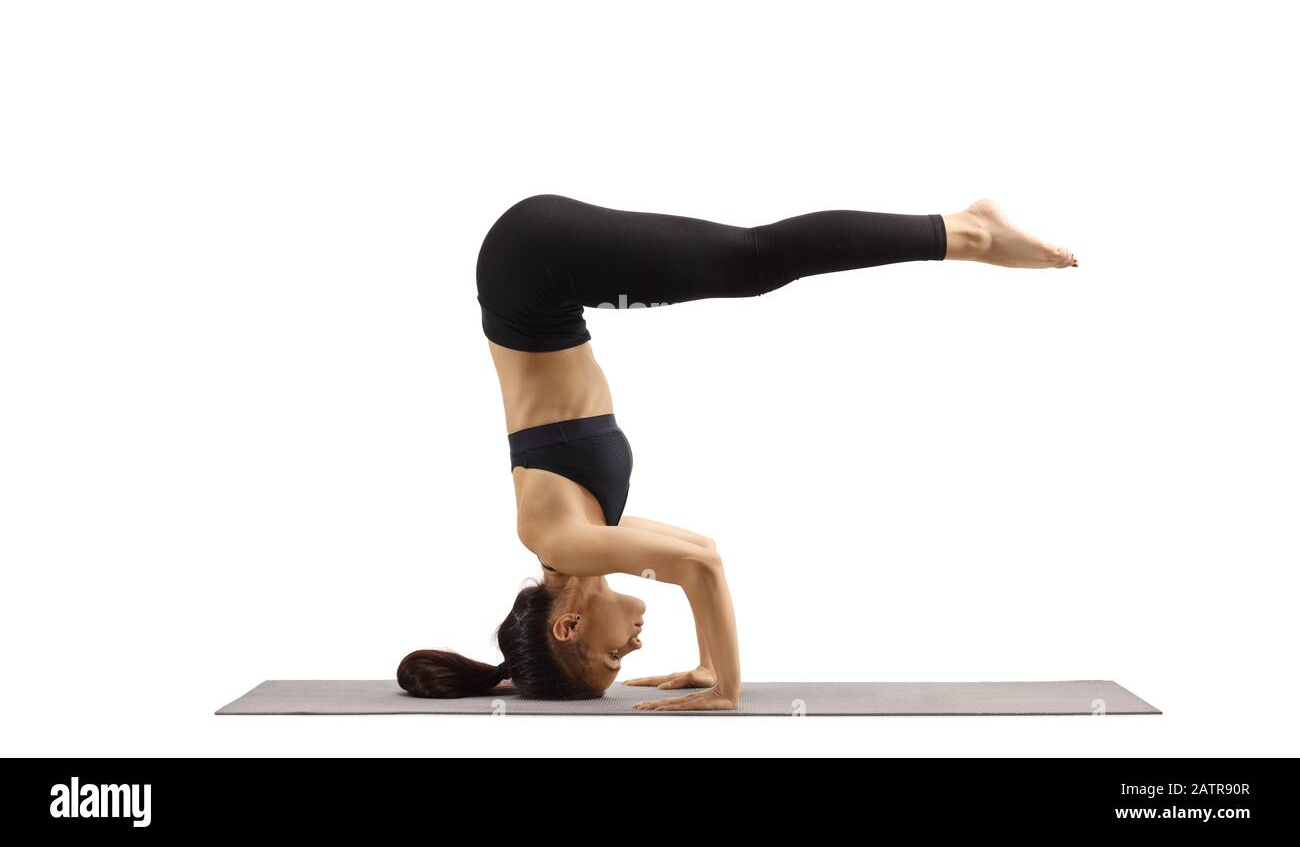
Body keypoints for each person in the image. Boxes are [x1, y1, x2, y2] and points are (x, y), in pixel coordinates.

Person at [398, 193, 1076, 711]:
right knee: (748, 262)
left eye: (611, 656)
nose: (633, 648)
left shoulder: (561, 537)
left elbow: (695, 567)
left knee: (751, 260)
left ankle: (969, 231)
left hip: (532, 265)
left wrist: (726, 686)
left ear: (568, 625)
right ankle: (965, 232)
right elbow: (704, 552)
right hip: (539, 279)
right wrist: (707, 662)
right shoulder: (583, 536)